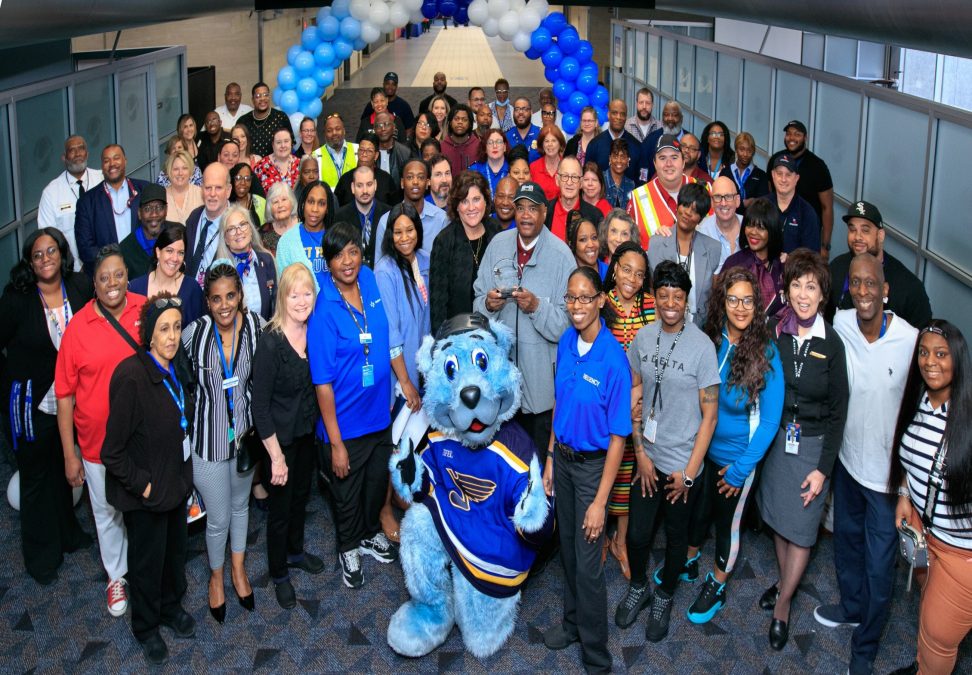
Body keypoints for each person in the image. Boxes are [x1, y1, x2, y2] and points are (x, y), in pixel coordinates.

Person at [818, 253, 918, 674]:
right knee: (847, 544)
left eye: (871, 284)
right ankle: (853, 608)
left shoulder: (911, 340)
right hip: (847, 463)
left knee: (880, 568)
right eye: (856, 283)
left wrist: (908, 487)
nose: (862, 291)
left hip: (886, 479)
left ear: (885, 290)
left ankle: (866, 646)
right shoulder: (840, 324)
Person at [615, 260, 720, 642]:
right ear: (655, 298)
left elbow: (710, 417)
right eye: (663, 296)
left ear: (687, 299)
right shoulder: (644, 339)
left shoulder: (703, 347)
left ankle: (665, 595)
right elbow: (635, 396)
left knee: (677, 540)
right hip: (648, 460)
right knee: (638, 537)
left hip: (682, 469)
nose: (671, 303)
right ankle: (640, 585)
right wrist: (640, 453)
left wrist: (689, 473)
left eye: (678, 296)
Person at [682, 267, 784, 624]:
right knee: (700, 513)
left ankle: (719, 584)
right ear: (721, 302)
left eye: (748, 300)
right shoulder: (712, 339)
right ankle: (690, 561)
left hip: (737, 462)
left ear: (756, 305)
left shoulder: (765, 353)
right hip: (705, 452)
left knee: (728, 525)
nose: (740, 307)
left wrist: (741, 470)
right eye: (733, 299)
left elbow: (770, 422)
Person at [541, 267, 631, 673]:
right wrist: (548, 457)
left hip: (594, 471)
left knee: (590, 564)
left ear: (600, 301)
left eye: (584, 298)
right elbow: (560, 402)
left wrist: (600, 502)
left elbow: (618, 438)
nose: (576, 306)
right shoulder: (564, 341)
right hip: (562, 460)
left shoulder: (613, 359)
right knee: (569, 553)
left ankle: (597, 655)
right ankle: (573, 625)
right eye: (570, 298)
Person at [758, 248, 848, 651]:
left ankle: (784, 604)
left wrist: (823, 470)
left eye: (811, 286)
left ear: (822, 293)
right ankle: (784, 582)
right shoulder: (778, 333)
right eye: (796, 285)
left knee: (803, 530)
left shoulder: (832, 345)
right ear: (787, 290)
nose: (803, 294)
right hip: (779, 442)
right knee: (779, 518)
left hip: (812, 449)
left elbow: (837, 414)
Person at [308, 222, 407, 588]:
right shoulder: (324, 307)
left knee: (373, 484)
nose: (347, 262)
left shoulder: (368, 278)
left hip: (378, 414)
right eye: (338, 256)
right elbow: (321, 384)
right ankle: (348, 547)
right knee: (345, 495)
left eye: (352, 251)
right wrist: (335, 443)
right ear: (328, 262)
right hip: (345, 425)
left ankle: (367, 534)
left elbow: (383, 336)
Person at [101, 294, 195, 665]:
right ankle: (146, 627)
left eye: (176, 327)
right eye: (163, 329)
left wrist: (184, 482)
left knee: (174, 557)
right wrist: (144, 486)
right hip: (147, 495)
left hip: (175, 486)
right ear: (148, 335)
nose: (172, 337)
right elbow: (112, 452)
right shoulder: (131, 377)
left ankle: (171, 609)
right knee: (146, 564)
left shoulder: (176, 366)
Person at [55, 245, 147, 617]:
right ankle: (116, 577)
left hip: (141, 438)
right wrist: (69, 453)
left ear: (129, 276)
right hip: (96, 444)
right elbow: (64, 397)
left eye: (119, 275)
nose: (112, 284)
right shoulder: (77, 328)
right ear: (93, 282)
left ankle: (142, 570)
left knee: (143, 507)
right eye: (104, 277)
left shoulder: (146, 309)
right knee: (107, 511)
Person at [1, 228, 93, 585]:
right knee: (37, 478)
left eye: (50, 251)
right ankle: (41, 556)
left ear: (61, 252)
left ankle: (68, 534)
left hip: (71, 399)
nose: (45, 259)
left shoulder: (79, 286)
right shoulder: (17, 298)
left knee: (61, 467)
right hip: (31, 404)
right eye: (37, 254)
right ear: (29, 261)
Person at [888, 319, 972, 675]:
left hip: (962, 554)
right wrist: (906, 493)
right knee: (928, 614)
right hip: (928, 536)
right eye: (923, 353)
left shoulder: (966, 417)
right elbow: (911, 460)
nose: (930, 361)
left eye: (941, 354)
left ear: (958, 359)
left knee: (939, 634)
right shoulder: (920, 399)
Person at [181, 262, 263, 623]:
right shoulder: (192, 336)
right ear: (207, 302)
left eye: (231, 296)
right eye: (216, 299)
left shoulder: (257, 329)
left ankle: (238, 569)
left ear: (240, 296)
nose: (224, 305)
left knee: (241, 507)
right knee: (217, 518)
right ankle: (216, 578)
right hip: (207, 443)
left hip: (244, 441)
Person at [473, 181, 575, 456]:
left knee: (536, 472)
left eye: (532, 208)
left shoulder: (562, 256)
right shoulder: (497, 244)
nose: (525, 215)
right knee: (500, 472)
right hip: (498, 387)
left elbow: (568, 326)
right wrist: (487, 304)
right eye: (520, 208)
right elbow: (477, 301)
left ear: (544, 212)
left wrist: (536, 307)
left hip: (540, 396)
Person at [251, 263, 321, 609]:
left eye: (307, 293)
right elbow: (259, 407)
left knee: (299, 500)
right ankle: (278, 573)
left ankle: (294, 553)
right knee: (279, 512)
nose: (302, 300)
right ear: (282, 297)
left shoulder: (313, 332)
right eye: (294, 294)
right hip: (278, 442)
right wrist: (276, 457)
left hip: (306, 434)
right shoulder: (270, 342)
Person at [601, 241, 655, 578]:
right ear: (614, 268)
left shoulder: (651, 305)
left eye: (639, 273)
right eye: (625, 270)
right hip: (603, 403)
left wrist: (641, 392)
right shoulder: (600, 303)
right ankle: (600, 537)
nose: (631, 279)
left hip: (640, 404)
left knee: (628, 476)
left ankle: (620, 541)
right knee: (600, 473)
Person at [827, 200, 932, 329]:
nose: (857, 237)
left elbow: (922, 337)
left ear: (880, 235)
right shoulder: (837, 268)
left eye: (865, 230)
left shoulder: (908, 287)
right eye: (852, 229)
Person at [429, 171, 501, 335]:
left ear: (486, 201)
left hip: (494, 334)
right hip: (458, 338)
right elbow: (438, 305)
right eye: (464, 201)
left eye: (476, 199)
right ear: (456, 205)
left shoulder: (496, 231)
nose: (471, 208)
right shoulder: (444, 241)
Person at [375, 202, 431, 395]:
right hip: (401, 378)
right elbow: (392, 334)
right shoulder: (385, 271)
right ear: (390, 235)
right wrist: (406, 383)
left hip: (427, 371)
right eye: (398, 232)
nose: (405, 238)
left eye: (410, 230)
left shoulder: (425, 260)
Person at [646, 183, 721, 328]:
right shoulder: (656, 243)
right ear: (677, 206)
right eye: (685, 205)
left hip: (699, 328)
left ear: (701, 218)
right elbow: (650, 290)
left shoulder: (713, 248)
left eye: (695, 210)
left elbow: (713, 298)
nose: (688, 212)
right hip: (662, 323)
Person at [74, 144, 149, 273]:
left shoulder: (144, 190)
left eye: (116, 158)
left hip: (143, 270)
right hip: (107, 274)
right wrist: (113, 263)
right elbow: (85, 247)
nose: (112, 164)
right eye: (106, 161)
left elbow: (155, 229)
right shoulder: (87, 202)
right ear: (102, 167)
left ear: (125, 161)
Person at [767, 121, 834, 259]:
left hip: (806, 236)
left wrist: (825, 245)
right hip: (775, 234)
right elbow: (770, 193)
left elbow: (827, 207)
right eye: (789, 134)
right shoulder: (776, 160)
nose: (792, 138)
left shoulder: (818, 166)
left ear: (805, 138)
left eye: (797, 134)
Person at [38, 135, 104, 271]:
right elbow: (48, 238)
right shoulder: (51, 193)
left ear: (87, 153)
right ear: (64, 157)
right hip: (73, 272)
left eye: (81, 148)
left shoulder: (102, 179)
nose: (77, 153)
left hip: (107, 265)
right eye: (72, 150)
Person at [372, 158, 449, 269]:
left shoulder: (441, 219)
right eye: (410, 177)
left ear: (428, 183)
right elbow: (379, 267)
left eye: (421, 177)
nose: (415, 182)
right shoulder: (386, 221)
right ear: (402, 183)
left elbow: (446, 264)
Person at [627, 135, 699, 249]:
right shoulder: (638, 197)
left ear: (683, 162)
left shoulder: (704, 190)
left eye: (674, 157)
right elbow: (628, 246)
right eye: (662, 158)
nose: (669, 163)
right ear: (655, 164)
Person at [129, 225, 205, 325]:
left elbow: (199, 332)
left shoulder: (192, 290)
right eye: (169, 251)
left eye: (180, 253)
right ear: (158, 252)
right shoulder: (135, 288)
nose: (175, 258)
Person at [723, 199, 786, 318]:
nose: (753, 232)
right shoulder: (733, 264)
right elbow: (719, 307)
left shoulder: (783, 266)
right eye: (750, 225)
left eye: (761, 228)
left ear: (772, 231)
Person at [215, 205, 277, 320]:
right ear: (226, 239)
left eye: (242, 225)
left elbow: (275, 308)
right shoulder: (218, 270)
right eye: (231, 229)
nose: (238, 232)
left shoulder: (267, 260)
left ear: (251, 230)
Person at [275, 180, 335, 289]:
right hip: (301, 304)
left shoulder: (336, 237)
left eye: (321, 203)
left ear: (327, 209)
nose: (314, 209)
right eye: (311, 202)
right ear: (303, 204)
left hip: (334, 304)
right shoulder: (286, 242)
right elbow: (284, 287)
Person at [334, 165, 391, 269]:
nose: (365, 191)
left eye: (369, 185)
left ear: (375, 185)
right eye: (359, 185)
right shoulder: (340, 217)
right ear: (352, 188)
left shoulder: (389, 214)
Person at [186, 162, 232, 286]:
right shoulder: (194, 218)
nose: (212, 194)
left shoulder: (237, 223)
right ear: (201, 189)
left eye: (218, 188)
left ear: (228, 191)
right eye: (208, 188)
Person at [119, 184, 177, 280]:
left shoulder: (177, 234)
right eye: (147, 209)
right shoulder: (125, 249)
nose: (154, 214)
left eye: (159, 208)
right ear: (139, 214)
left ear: (166, 210)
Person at [766, 153, 820, 254]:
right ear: (773, 175)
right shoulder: (761, 206)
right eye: (779, 173)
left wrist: (790, 260)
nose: (783, 179)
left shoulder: (807, 213)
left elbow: (813, 258)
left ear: (796, 178)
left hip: (794, 269)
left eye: (788, 174)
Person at [545, 156, 603, 241]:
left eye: (575, 177)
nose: (569, 182)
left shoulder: (595, 216)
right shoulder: (545, 212)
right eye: (565, 176)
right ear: (557, 180)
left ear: (581, 183)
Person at [335, 133, 397, 207]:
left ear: (376, 155)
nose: (364, 154)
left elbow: (394, 209)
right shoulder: (345, 179)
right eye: (361, 150)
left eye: (369, 151)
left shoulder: (386, 179)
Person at [586, 99, 641, 183]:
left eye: (622, 114)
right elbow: (587, 177)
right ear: (608, 115)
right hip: (601, 195)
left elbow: (640, 181)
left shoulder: (636, 147)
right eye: (614, 113)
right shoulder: (594, 145)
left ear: (626, 117)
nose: (618, 117)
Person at [238, 82, 294, 158]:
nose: (262, 98)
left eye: (265, 95)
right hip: (249, 166)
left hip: (275, 166)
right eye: (258, 96)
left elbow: (291, 143)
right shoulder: (243, 121)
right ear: (253, 99)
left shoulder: (280, 117)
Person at [699, 175, 743, 272]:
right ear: (712, 202)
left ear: (737, 200)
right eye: (718, 197)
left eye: (728, 196)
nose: (723, 203)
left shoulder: (750, 227)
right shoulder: (701, 231)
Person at [641, 101, 686, 183]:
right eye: (666, 115)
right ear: (662, 118)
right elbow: (643, 172)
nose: (670, 118)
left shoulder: (692, 142)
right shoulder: (650, 141)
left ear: (681, 118)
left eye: (674, 115)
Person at [724, 131, 768, 213]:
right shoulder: (725, 172)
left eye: (749, 150)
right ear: (736, 149)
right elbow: (722, 198)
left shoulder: (761, 175)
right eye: (742, 149)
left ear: (753, 152)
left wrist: (735, 202)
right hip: (728, 218)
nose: (745, 154)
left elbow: (762, 202)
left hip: (752, 221)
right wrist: (744, 203)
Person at [311, 113, 357, 189]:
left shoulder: (358, 150)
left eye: (338, 129)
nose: (334, 133)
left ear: (344, 131)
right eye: (329, 130)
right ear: (325, 134)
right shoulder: (315, 156)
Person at [373, 110, 413, 189]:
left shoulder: (405, 153)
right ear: (374, 129)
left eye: (387, 124)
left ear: (394, 127)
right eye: (379, 125)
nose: (383, 128)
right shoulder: (370, 152)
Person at [253, 127, 300, 194]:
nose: (283, 145)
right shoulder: (260, 166)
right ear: (273, 145)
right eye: (278, 142)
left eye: (286, 141)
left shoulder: (301, 164)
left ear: (291, 143)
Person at [165, 150, 204, 226]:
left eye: (185, 168)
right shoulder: (162, 196)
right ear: (169, 171)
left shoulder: (201, 194)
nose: (180, 173)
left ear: (190, 171)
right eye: (176, 169)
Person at [258, 182, 297, 256]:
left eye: (284, 199)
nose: (280, 205)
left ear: (292, 202)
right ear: (270, 208)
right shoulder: (263, 233)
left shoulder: (303, 226)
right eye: (275, 202)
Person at [440, 103, 480, 176]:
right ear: (450, 122)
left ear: (470, 124)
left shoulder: (478, 146)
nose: (460, 122)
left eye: (464, 120)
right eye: (456, 119)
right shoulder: (441, 147)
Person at [468, 128, 509, 197]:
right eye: (490, 142)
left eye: (498, 142)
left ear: (504, 147)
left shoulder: (512, 169)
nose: (494, 146)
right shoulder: (474, 171)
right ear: (485, 148)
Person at [531, 125, 566, 201]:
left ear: (560, 143)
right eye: (546, 141)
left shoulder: (568, 167)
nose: (550, 144)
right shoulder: (533, 167)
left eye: (554, 140)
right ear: (542, 145)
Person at [566, 212, 606, 279]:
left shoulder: (610, 273)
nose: (591, 244)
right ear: (573, 245)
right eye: (583, 239)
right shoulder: (566, 275)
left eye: (594, 238)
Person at [229, 162, 266, 228]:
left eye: (247, 179)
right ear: (232, 180)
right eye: (238, 178)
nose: (243, 183)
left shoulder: (261, 202)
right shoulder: (226, 204)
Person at [506, 97, 541, 163]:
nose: (520, 112)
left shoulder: (540, 134)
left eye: (524, 109)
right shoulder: (507, 136)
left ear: (531, 112)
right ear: (513, 113)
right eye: (517, 109)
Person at [603, 141, 635, 211]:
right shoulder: (600, 180)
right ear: (610, 159)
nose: (619, 161)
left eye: (623, 157)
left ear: (628, 160)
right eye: (615, 156)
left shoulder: (631, 185)